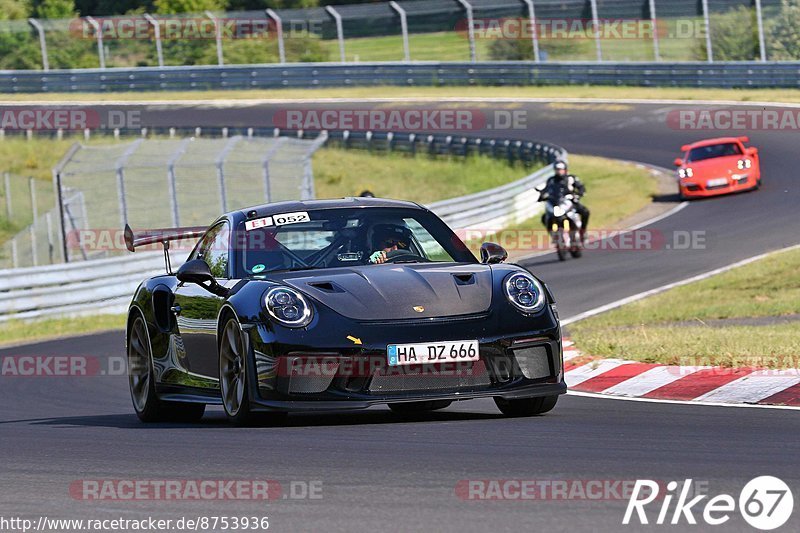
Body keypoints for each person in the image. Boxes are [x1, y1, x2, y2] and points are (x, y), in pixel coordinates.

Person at [541, 160, 590, 242]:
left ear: (565, 169)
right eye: (557, 169)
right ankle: (553, 235)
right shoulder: (551, 180)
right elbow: (546, 190)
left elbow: (581, 187)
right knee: (544, 217)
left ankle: (583, 230)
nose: (559, 171)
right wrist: (542, 196)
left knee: (585, 212)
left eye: (560, 169)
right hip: (556, 203)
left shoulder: (571, 178)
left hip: (570, 201)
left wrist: (578, 195)